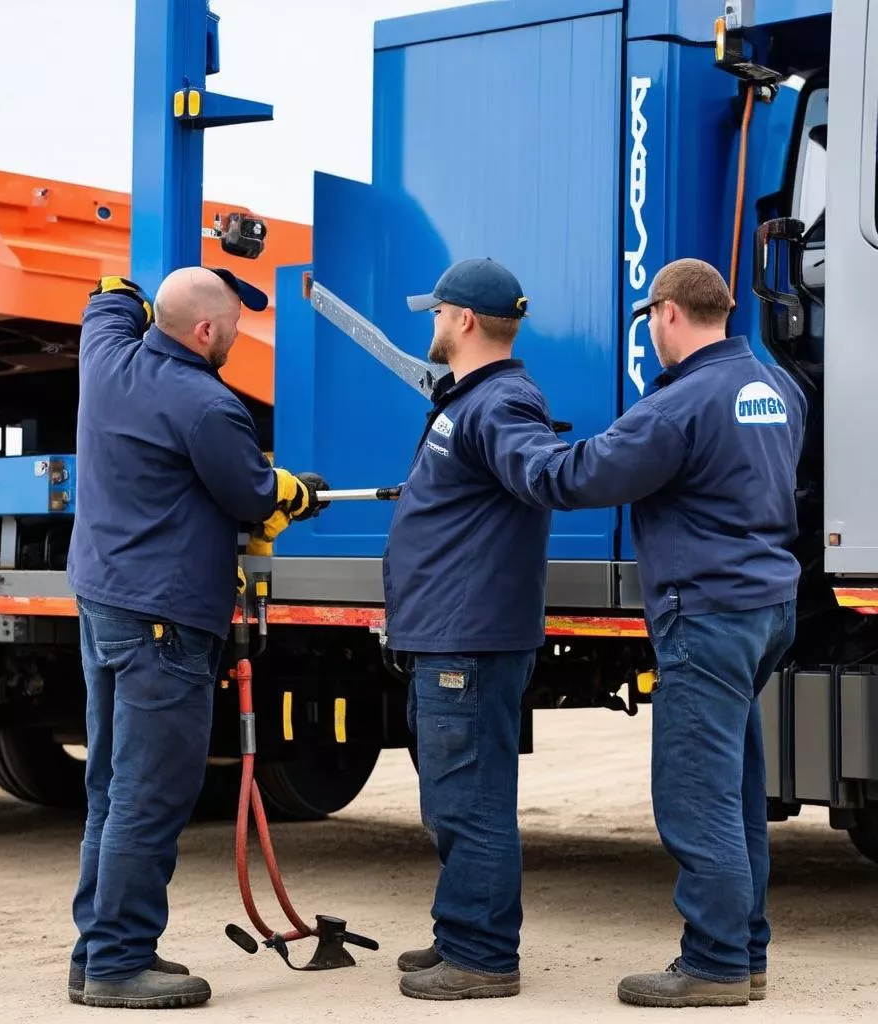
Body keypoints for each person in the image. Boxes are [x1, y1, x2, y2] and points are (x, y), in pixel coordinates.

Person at [491, 258, 806, 1008]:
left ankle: (716, 965)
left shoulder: (678, 406)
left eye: (651, 323)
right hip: (766, 611)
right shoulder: (776, 388)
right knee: (733, 791)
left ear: (667, 313)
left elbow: (575, 480)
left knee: (697, 797)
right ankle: (746, 954)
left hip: (706, 612)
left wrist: (511, 446)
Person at [65, 268, 328, 1010]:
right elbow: (251, 495)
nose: (241, 337)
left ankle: (102, 953)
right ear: (205, 332)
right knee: (149, 794)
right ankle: (118, 962)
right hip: (162, 621)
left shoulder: (107, 355)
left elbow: (106, 298)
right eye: (234, 328)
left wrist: (133, 290)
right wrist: (293, 494)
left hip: (104, 603)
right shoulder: (209, 405)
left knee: (112, 789)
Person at [383, 257, 557, 1001]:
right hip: (448, 633)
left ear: (462, 320)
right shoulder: (474, 400)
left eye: (435, 312)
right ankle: (462, 930)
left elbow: (540, 469)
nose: (430, 324)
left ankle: (482, 955)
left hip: (469, 639)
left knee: (470, 797)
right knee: (453, 795)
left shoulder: (502, 405)